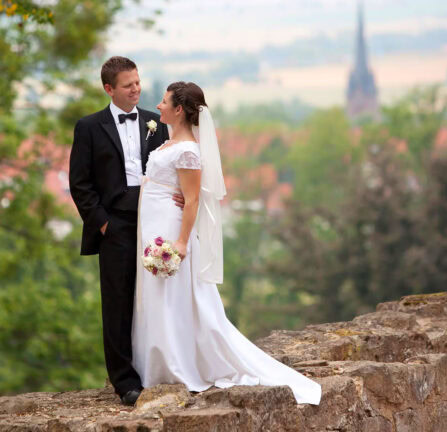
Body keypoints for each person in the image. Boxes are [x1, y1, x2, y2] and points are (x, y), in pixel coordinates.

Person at [131, 82, 322, 405]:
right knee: (154, 293)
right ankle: (155, 364)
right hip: (151, 224)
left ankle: (176, 365)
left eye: (164, 102)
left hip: (169, 228)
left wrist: (181, 242)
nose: (158, 106)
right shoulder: (166, 142)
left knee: (172, 293)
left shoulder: (189, 150)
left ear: (179, 110)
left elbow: (191, 200)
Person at [68, 56, 176, 406]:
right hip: (114, 223)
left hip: (152, 221)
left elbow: (167, 170)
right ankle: (125, 381)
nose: (137, 89)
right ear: (109, 89)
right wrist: (103, 223)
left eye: (138, 82)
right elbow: (80, 184)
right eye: (128, 85)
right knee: (117, 302)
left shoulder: (155, 123)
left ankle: (155, 369)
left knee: (154, 298)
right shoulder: (88, 127)